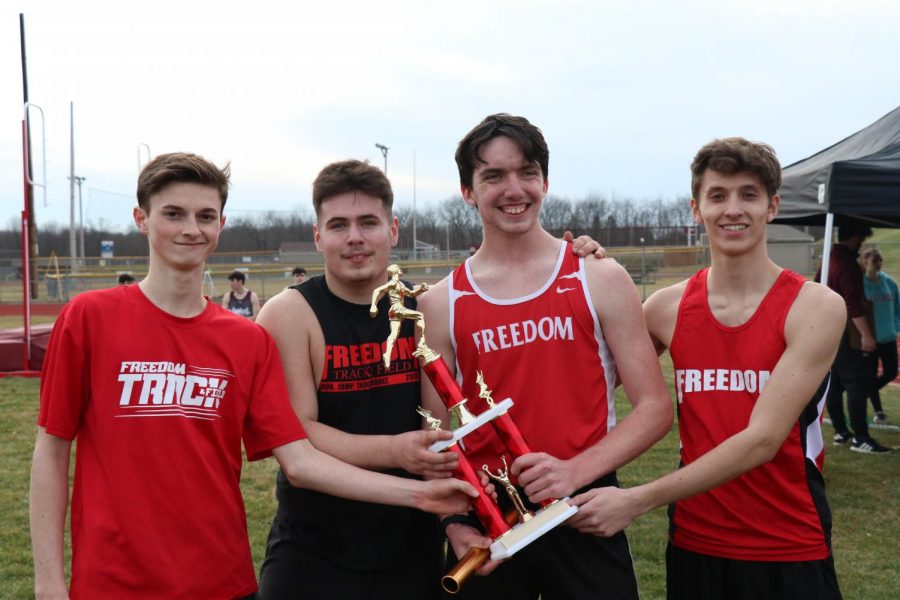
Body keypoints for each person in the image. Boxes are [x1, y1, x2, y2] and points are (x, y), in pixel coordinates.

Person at [29, 152, 479, 600]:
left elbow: (300, 459)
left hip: (221, 581)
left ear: (221, 225)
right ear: (141, 219)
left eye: (205, 215)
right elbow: (51, 449)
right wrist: (49, 581)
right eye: (173, 214)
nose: (191, 228)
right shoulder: (89, 318)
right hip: (113, 582)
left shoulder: (246, 340)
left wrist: (423, 498)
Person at [254, 159, 605, 600]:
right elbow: (300, 436)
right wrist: (396, 451)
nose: (356, 237)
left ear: (394, 230)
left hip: (413, 547)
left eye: (369, 222)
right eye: (339, 225)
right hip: (315, 549)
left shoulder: (429, 307)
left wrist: (572, 252)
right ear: (318, 235)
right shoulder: (291, 313)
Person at [418, 113, 674, 599]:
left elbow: (655, 408)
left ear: (545, 181)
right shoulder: (441, 302)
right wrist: (453, 523)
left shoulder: (597, 276)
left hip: (584, 509)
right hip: (492, 520)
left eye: (526, 172)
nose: (514, 189)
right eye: (493, 176)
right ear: (468, 192)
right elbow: (437, 437)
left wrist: (574, 471)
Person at [582, 138, 846, 599]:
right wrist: (578, 269)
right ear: (695, 209)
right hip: (695, 540)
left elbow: (763, 439)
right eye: (718, 195)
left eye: (749, 194)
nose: (733, 209)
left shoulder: (814, 306)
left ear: (772, 206)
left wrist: (636, 500)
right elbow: (590, 382)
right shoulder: (666, 307)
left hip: (787, 542)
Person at [817, 222, 891, 453]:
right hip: (848, 332)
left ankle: (841, 431)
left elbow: (816, 285)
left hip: (830, 330)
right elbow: (854, 304)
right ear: (856, 237)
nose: (861, 243)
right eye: (861, 238)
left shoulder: (829, 259)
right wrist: (866, 335)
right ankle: (861, 438)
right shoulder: (848, 264)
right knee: (857, 384)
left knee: (836, 385)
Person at [862, 248, 900, 423]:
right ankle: (879, 412)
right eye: (873, 262)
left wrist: (895, 327)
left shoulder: (890, 283)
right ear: (865, 262)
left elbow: (897, 308)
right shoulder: (861, 285)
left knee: (891, 372)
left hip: (888, 337)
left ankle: (865, 391)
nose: (877, 265)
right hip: (871, 340)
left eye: (879, 262)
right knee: (869, 375)